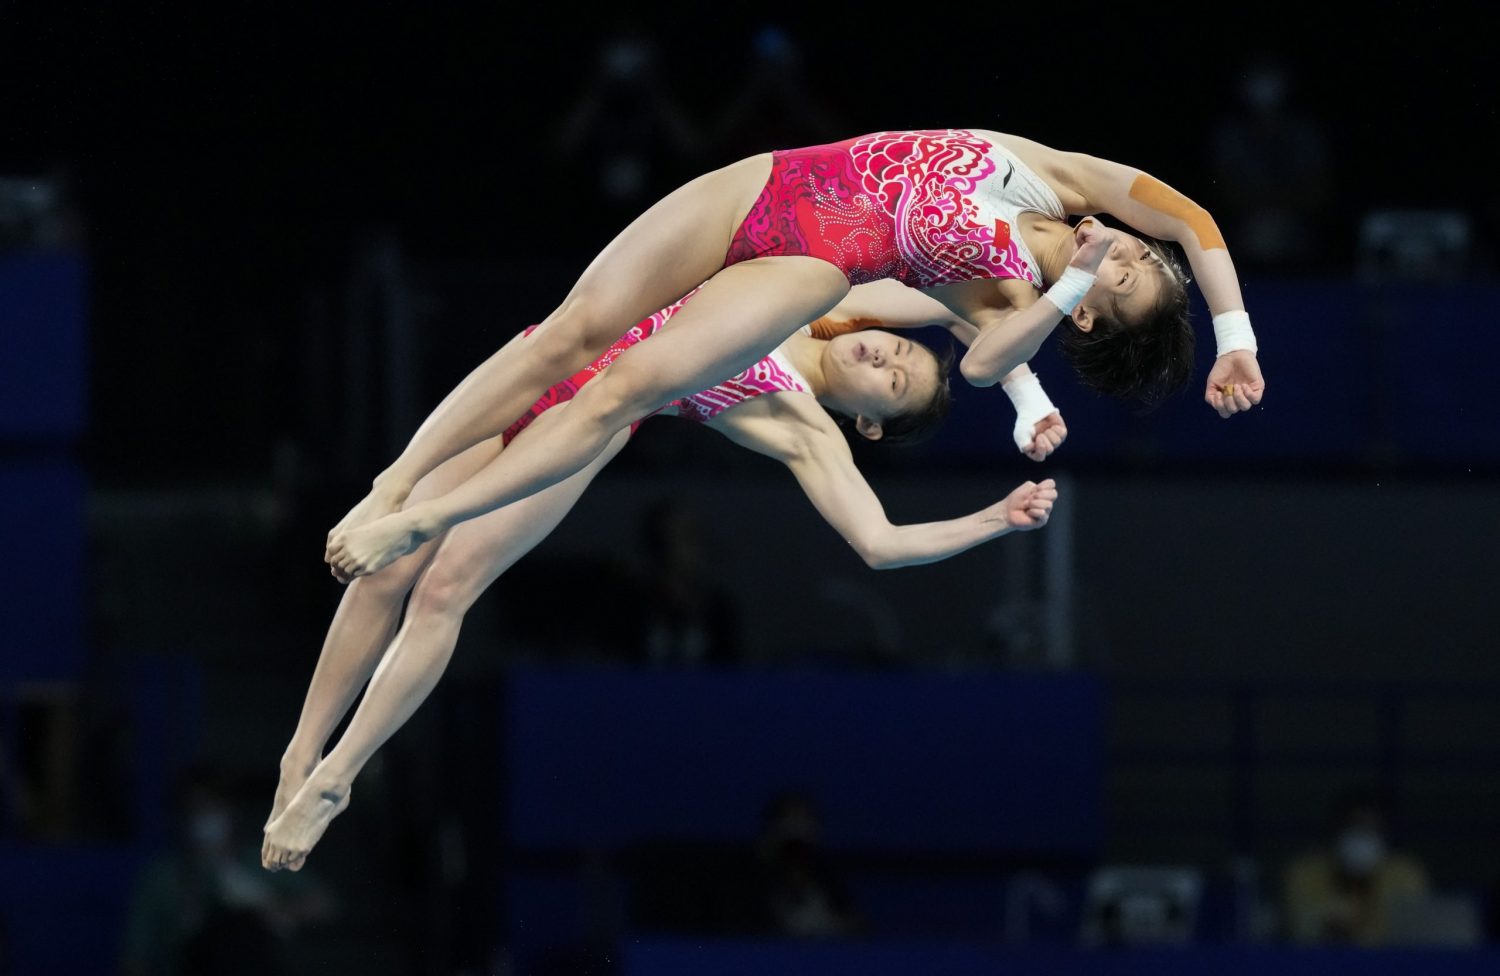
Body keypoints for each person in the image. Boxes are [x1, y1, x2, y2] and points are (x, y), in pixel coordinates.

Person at [263, 296, 1059, 872]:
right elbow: (964, 304)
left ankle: (340, 775)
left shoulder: (803, 427)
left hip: (583, 429)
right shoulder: (828, 295)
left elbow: (880, 543)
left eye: (893, 384)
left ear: (869, 424)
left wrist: (992, 520)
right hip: (548, 359)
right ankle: (300, 756)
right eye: (897, 351)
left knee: (443, 588)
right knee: (388, 563)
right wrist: (1025, 393)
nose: (886, 358)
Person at [324, 128, 1264, 574]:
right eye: (1144, 254)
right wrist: (1235, 334)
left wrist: (1060, 296)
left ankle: (418, 523)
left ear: (1093, 319)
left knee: (621, 387)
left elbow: (983, 364)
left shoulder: (1016, 296)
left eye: (1134, 279)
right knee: (574, 330)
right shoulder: (1059, 176)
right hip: (767, 181)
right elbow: (1194, 215)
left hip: (809, 265)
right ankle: (396, 483)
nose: (1136, 253)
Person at [1282, 789, 1431, 945]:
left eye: (1370, 828)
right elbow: (1298, 927)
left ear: (1384, 833)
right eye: (1354, 827)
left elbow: (1414, 929)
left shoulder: (1405, 873)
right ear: (1336, 830)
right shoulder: (1305, 872)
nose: (1361, 835)